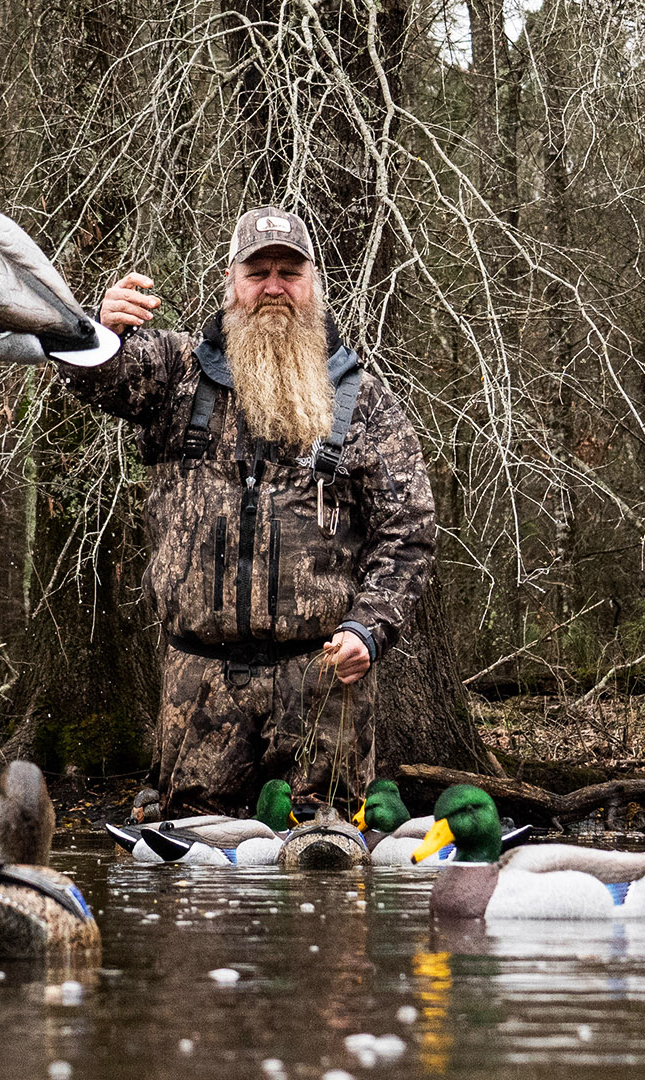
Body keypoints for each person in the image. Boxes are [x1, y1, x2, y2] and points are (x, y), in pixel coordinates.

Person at [54, 207, 437, 814]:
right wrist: (96, 330)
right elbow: (100, 378)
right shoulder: (176, 371)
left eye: (290, 270)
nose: (274, 286)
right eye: (258, 272)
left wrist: (370, 628)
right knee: (197, 871)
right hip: (200, 692)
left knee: (327, 869)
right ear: (232, 282)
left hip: (322, 684)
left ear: (314, 283)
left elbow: (408, 533)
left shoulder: (361, 398)